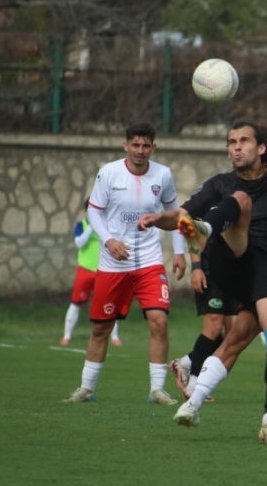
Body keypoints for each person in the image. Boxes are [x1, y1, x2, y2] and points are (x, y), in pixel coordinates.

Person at [139, 120, 267, 445]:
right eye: (231, 142)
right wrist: (154, 219)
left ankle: (229, 412)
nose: (236, 147)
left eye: (244, 141)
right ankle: (207, 228)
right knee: (241, 200)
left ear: (262, 148)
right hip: (230, 260)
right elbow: (179, 215)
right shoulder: (220, 183)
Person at [62, 122, 187, 405]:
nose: (140, 151)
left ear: (153, 147)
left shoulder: (163, 174)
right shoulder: (109, 173)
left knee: (159, 321)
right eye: (135, 145)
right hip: (112, 264)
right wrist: (108, 240)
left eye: (146, 146)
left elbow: (176, 215)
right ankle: (86, 389)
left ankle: (157, 390)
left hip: (150, 263)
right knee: (100, 329)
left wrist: (179, 253)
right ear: (126, 146)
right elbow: (94, 213)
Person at [168, 250, 237, 402]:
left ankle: (185, 362)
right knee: (214, 327)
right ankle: (194, 385)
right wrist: (196, 267)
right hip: (210, 269)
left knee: (234, 335)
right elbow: (194, 233)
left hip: (235, 270)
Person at [60, 200, 122, 347]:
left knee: (111, 304)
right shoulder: (81, 225)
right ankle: (67, 336)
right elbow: (79, 243)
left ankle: (115, 337)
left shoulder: (108, 226)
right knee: (76, 303)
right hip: (85, 270)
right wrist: (93, 226)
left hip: (104, 270)